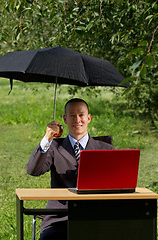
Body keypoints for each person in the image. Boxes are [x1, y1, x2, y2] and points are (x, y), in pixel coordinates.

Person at [27, 98, 115, 240]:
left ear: (89, 118)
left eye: (81, 115)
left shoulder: (106, 149)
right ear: (65, 119)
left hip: (96, 217)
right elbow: (33, 170)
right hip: (60, 219)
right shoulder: (54, 147)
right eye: (72, 116)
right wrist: (47, 139)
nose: (77, 120)